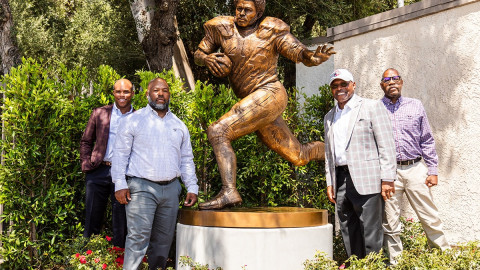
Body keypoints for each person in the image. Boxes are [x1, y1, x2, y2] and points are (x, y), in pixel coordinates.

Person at [194, 0, 336, 210]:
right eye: (238, 8)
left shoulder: (272, 29)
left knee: (218, 131)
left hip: (270, 94)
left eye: (247, 10)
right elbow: (198, 54)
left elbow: (297, 51)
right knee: (298, 156)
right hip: (254, 104)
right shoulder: (220, 27)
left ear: (258, 13)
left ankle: (229, 191)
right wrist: (206, 59)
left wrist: (311, 56)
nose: (241, 13)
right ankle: (336, 152)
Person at [112, 78, 199, 270]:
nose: (161, 94)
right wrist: (120, 184)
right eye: (156, 90)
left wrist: (191, 186)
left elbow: (186, 159)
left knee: (163, 241)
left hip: (171, 189)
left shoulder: (179, 124)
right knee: (138, 238)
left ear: (169, 95)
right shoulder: (133, 121)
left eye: (165, 91)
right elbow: (120, 155)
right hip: (141, 188)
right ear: (147, 94)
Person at [324, 69, 397, 259]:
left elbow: (386, 145)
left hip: (368, 179)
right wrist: (330, 182)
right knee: (348, 229)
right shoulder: (329, 117)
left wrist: (388, 178)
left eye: (344, 84)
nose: (339, 89)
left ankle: (373, 266)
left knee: (371, 231)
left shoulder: (372, 107)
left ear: (353, 85)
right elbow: (328, 154)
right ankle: (356, 264)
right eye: (335, 86)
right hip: (340, 179)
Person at [380, 68, 450, 264]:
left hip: (416, 168)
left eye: (396, 78)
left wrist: (433, 170)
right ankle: (396, 262)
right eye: (387, 79)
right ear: (382, 85)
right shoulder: (375, 109)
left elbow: (427, 139)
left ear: (401, 82)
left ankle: (442, 259)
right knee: (391, 220)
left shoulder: (415, 105)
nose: (392, 82)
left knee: (429, 215)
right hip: (389, 173)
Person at [79, 78, 134, 248]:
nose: (122, 95)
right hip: (99, 171)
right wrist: (87, 164)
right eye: (118, 91)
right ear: (113, 93)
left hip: (124, 175)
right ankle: (88, 257)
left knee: (121, 220)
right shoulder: (100, 113)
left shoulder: (139, 117)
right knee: (92, 217)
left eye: (126, 92)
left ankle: (119, 258)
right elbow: (86, 141)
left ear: (132, 93)